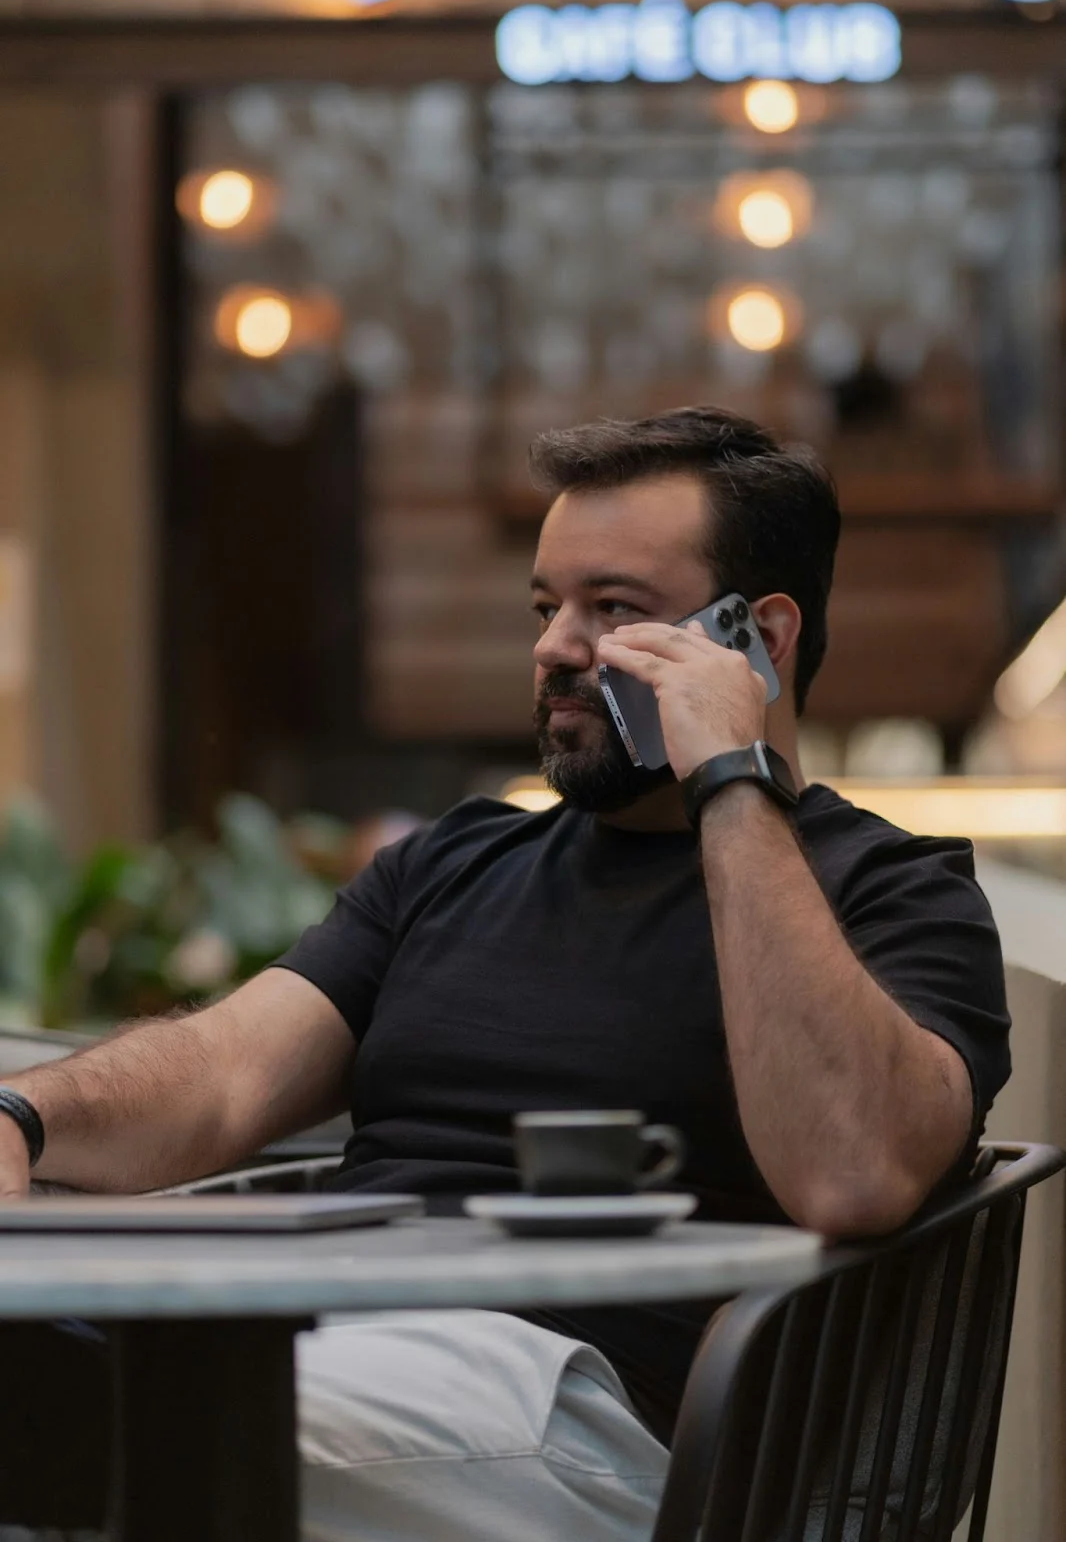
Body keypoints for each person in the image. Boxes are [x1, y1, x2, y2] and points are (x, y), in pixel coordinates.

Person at [0, 407, 1010, 1542]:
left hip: (584, 1414)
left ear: (757, 640)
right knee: (126, 1415)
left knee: (138, 1436)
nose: (556, 647)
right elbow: (225, 1074)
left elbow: (852, 1176)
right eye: (545, 607)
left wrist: (730, 777)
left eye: (613, 608)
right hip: (320, 1342)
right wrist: (23, 1116)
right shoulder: (455, 862)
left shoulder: (892, 889)